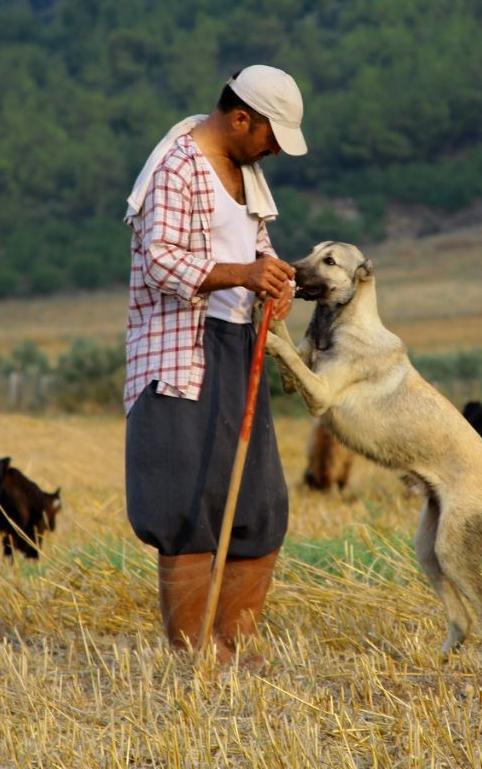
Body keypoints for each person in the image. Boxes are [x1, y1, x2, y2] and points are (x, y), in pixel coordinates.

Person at [123, 64, 307, 663]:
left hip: (238, 346)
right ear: (240, 117)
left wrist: (274, 280)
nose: (274, 150)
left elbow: (256, 250)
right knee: (185, 503)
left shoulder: (247, 174)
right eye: (270, 137)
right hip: (181, 353)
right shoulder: (177, 167)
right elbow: (160, 261)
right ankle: (195, 655)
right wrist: (243, 274)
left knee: (259, 505)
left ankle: (236, 645)